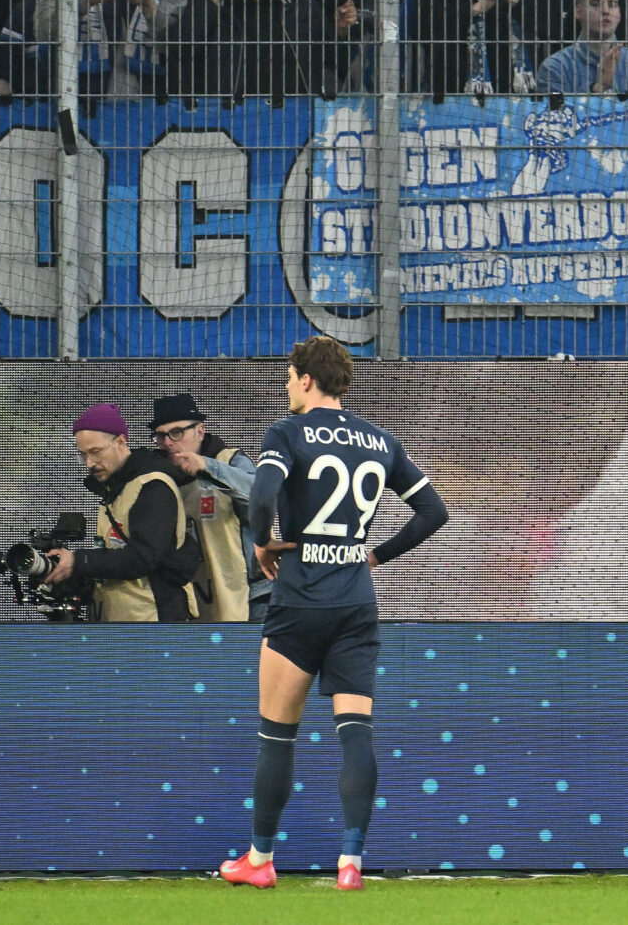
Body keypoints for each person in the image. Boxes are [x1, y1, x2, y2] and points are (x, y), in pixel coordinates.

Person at [218, 337, 450, 890]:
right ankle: (351, 863)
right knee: (356, 734)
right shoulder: (379, 439)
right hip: (354, 602)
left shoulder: (287, 432)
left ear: (304, 378)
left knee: (277, 734)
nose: (286, 384)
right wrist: (374, 555)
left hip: (299, 601)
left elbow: (265, 497)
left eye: (288, 374)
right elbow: (432, 512)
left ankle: (260, 859)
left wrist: (260, 542)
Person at [44, 403, 202, 621]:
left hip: (152, 622)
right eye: (83, 455)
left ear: (120, 441)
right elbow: (117, 555)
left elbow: (142, 558)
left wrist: (79, 562)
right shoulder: (114, 488)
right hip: (122, 623)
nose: (89, 463)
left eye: (96, 452)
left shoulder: (153, 486)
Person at [152, 392, 258, 625]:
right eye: (160, 436)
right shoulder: (160, 479)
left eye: (176, 432)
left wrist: (208, 467)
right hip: (194, 599)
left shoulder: (230, 461)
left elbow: (262, 497)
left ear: (200, 430)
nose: (168, 442)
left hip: (250, 595)